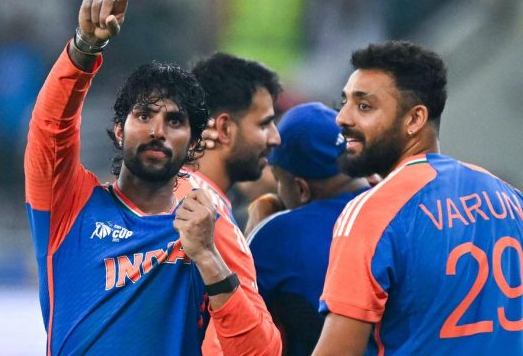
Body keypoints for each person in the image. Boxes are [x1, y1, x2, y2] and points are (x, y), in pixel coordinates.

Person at [25, 0, 273, 355]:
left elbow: (260, 351)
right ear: (119, 130)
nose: (157, 131)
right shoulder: (71, 206)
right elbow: (50, 129)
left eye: (174, 121)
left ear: (194, 143)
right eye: (144, 115)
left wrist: (208, 257)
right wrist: (84, 49)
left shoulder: (205, 225)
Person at [313, 41, 523, 355]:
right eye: (344, 102)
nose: (342, 118)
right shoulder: (511, 199)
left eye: (364, 106)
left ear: (414, 119)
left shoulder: (373, 212)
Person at [173, 52, 284, 355]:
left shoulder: (164, 191)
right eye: (265, 124)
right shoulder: (208, 214)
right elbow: (258, 350)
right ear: (223, 129)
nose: (275, 138)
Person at [244, 102, 370, 355]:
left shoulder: (276, 234)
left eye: (279, 181)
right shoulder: (400, 207)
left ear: (301, 189)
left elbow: (235, 320)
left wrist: (253, 233)